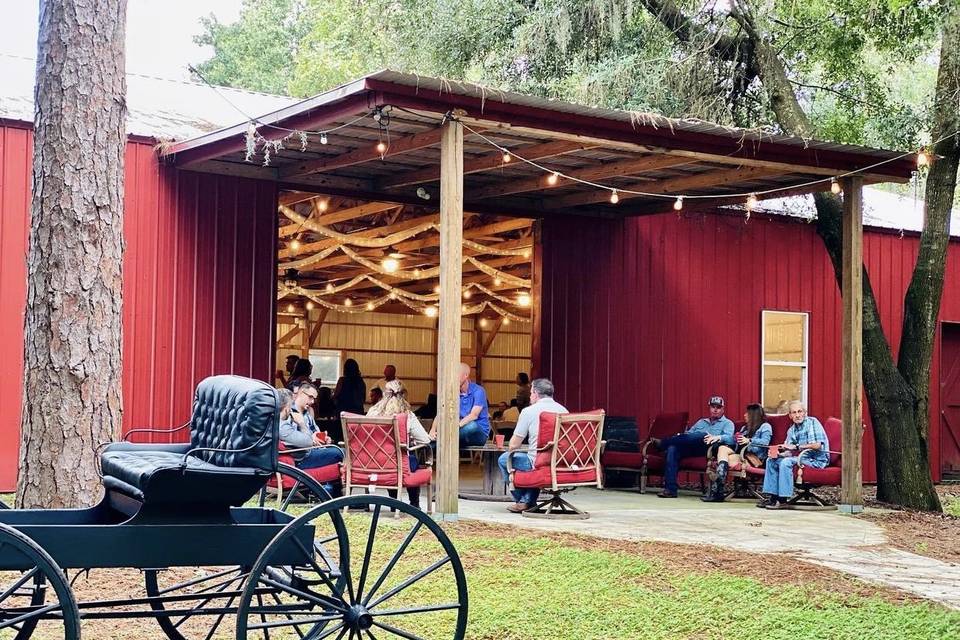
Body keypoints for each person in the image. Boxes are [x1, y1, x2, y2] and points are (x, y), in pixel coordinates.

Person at [497, 378, 567, 513]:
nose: (530, 396)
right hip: (561, 461)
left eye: (530, 393)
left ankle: (523, 501)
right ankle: (528, 501)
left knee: (505, 459)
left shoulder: (529, 411)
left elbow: (513, 445)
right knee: (530, 460)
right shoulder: (564, 410)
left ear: (535, 392)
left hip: (538, 461)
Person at [651, 395, 735, 498]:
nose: (715, 410)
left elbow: (731, 439)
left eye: (718, 407)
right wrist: (681, 437)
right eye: (713, 407)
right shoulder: (701, 422)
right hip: (692, 447)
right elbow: (688, 435)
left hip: (708, 449)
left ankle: (663, 443)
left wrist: (717, 437)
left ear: (723, 409)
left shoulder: (727, 423)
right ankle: (670, 490)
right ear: (709, 408)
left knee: (703, 434)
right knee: (672, 449)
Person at [366, 379, 431, 509]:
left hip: (372, 462)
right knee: (412, 460)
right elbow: (425, 440)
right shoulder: (407, 415)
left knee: (396, 460)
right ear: (404, 395)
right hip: (398, 463)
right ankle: (414, 504)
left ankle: (393, 503)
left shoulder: (372, 412)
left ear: (384, 394)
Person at [758, 400, 829, 510]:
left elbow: (817, 445)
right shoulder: (792, 430)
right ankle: (773, 498)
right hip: (801, 458)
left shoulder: (812, 422)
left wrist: (796, 447)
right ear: (790, 415)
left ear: (805, 413)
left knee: (786, 462)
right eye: (794, 413)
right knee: (771, 460)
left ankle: (782, 500)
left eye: (799, 412)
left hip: (816, 460)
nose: (797, 415)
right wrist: (779, 454)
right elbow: (788, 451)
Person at [701, 403, 772, 502]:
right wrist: (718, 437)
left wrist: (749, 441)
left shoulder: (765, 426)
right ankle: (719, 490)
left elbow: (765, 442)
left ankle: (717, 491)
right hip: (742, 455)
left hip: (754, 458)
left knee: (721, 462)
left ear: (753, 415)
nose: (744, 415)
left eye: (747, 413)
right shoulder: (745, 428)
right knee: (722, 448)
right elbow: (733, 440)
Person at [279, 383, 345, 485]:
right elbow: (295, 438)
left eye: (314, 398)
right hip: (301, 457)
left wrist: (323, 439)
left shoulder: (308, 414)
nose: (312, 401)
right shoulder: (288, 413)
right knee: (339, 452)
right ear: (300, 393)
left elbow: (315, 433)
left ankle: (334, 488)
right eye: (310, 397)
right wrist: (310, 437)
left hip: (313, 451)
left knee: (341, 452)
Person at [457, 363, 490, 447]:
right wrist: (432, 430)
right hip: (462, 432)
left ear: (466, 375)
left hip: (479, 433)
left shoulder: (478, 391)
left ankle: (443, 441)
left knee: (472, 426)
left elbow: (474, 415)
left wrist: (456, 426)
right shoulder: (454, 393)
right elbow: (442, 413)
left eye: (456, 373)